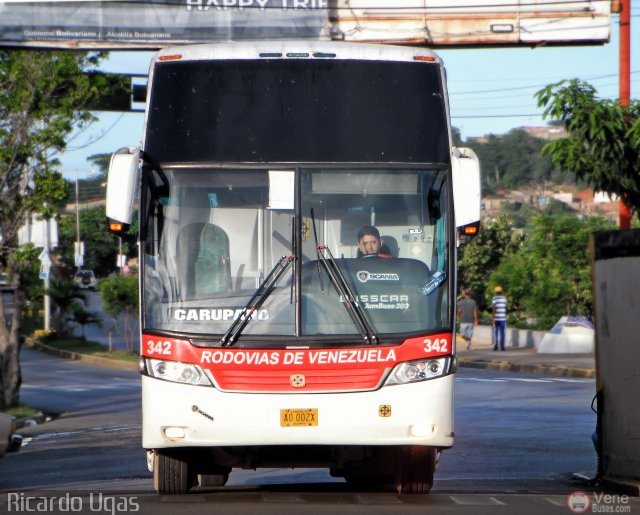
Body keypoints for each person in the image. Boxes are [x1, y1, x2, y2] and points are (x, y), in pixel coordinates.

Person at [492, 286, 508, 351]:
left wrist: (493, 317)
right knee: (502, 332)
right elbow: (506, 308)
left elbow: (494, 308)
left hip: (496, 318)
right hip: (503, 318)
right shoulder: (504, 298)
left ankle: (496, 345)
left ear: (495, 292)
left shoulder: (494, 298)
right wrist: (504, 314)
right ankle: (502, 346)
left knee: (496, 331)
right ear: (501, 291)